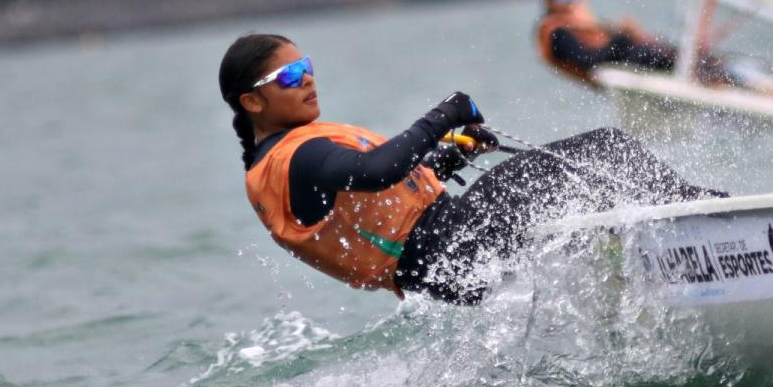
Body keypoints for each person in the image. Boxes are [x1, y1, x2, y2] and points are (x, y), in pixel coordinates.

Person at [219, 33, 720, 306]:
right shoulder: (294, 156)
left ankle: (655, 273)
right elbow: (375, 170)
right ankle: (715, 225)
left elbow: (379, 198)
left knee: (585, 201)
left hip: (446, 262)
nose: (307, 80)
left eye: (306, 66)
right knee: (605, 148)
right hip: (452, 248)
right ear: (252, 101)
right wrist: (447, 113)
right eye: (289, 75)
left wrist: (451, 156)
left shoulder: (288, 160)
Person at [535, 0, 773, 92]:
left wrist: (623, 34)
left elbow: (604, 45)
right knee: (679, 58)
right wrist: (622, 38)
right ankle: (748, 83)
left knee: (688, 54)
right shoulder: (557, 33)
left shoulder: (579, 23)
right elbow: (589, 61)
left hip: (629, 58)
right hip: (624, 65)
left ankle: (750, 78)